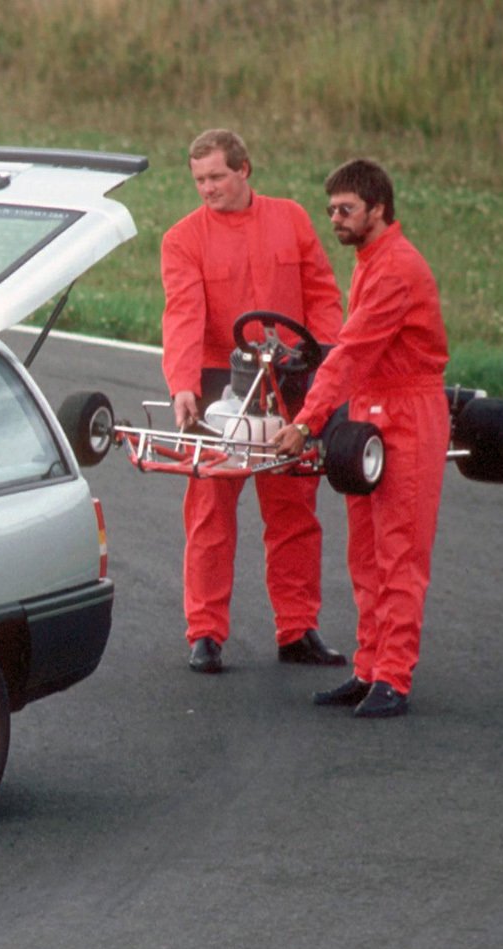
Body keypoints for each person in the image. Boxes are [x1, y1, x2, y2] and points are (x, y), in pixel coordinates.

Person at [160, 129, 348, 675]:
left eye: (216, 176)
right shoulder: (182, 239)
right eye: (199, 180)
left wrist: (327, 368)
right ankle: (205, 633)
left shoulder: (290, 218)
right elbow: (183, 315)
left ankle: (297, 630)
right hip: (223, 385)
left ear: (245, 170)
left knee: (294, 510)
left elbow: (322, 297)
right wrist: (183, 386)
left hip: (290, 381)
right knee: (210, 512)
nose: (207, 189)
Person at [273, 159, 449, 719]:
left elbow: (350, 352)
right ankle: (368, 668)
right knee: (365, 553)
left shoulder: (397, 267)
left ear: (378, 209)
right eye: (330, 211)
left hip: (409, 410)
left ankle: (393, 677)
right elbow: (352, 358)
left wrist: (305, 421)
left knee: (399, 553)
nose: (335, 220)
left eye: (346, 210)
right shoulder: (368, 259)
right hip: (370, 409)